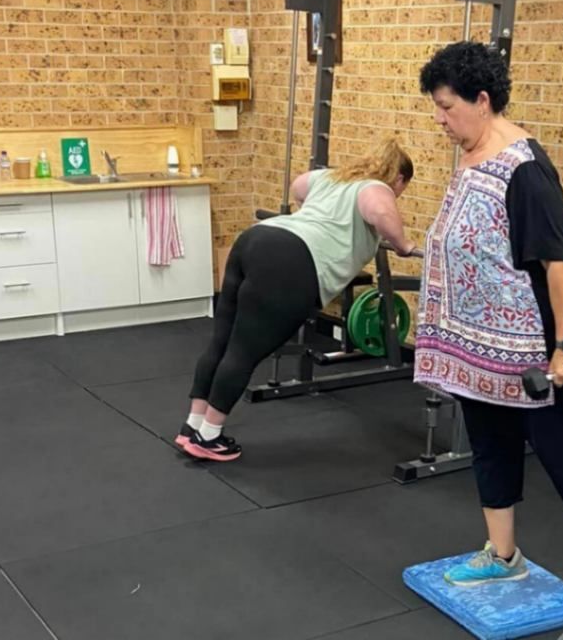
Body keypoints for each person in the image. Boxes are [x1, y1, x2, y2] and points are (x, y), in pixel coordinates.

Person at [414, 40, 563, 604]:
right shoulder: (473, 151)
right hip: (482, 336)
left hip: (542, 335)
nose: (440, 119)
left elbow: (559, 264)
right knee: (489, 439)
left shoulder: (525, 169)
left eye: (448, 107)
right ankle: (503, 556)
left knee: (559, 447)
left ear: (483, 100)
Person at [179, 137, 419, 461]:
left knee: (222, 341)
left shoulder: (333, 177)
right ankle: (208, 437)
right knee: (243, 350)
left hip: (257, 238)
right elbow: (379, 210)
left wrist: (313, 213)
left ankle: (192, 426)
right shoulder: (377, 187)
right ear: (399, 178)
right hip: (290, 260)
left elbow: (299, 186)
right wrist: (402, 243)